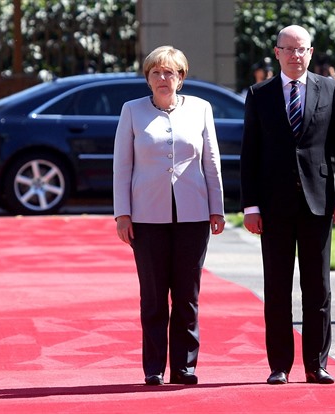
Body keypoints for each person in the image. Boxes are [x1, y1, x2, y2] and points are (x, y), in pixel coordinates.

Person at [240, 25, 335, 385]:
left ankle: (316, 364)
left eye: (301, 49)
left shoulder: (329, 88)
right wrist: (250, 206)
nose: (295, 55)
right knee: (276, 288)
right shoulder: (259, 94)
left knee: (317, 287)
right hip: (273, 206)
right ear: (276, 53)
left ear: (310, 52)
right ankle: (279, 366)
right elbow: (249, 155)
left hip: (318, 204)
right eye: (287, 49)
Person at [113, 45, 225, 386]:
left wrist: (217, 208)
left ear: (181, 77)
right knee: (154, 295)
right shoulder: (132, 111)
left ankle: (184, 366)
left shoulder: (201, 109)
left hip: (193, 214)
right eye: (156, 73)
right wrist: (123, 214)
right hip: (146, 217)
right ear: (147, 79)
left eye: (170, 72)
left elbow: (211, 161)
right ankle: (153, 368)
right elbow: (122, 165)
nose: (163, 78)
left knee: (187, 294)